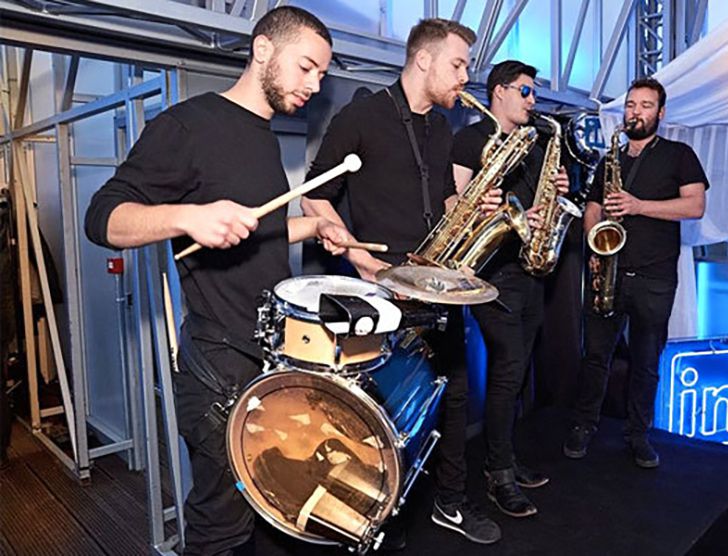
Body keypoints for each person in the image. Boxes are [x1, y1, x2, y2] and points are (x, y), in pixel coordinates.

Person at [84, 7, 353, 554]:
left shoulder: (262, 135)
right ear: (262, 50)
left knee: (272, 512)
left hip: (266, 355)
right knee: (220, 531)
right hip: (219, 372)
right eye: (306, 67)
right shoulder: (187, 126)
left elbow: (256, 230)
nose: (314, 84)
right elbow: (102, 219)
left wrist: (314, 226)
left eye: (322, 75)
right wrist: (187, 217)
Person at [301, 18, 503, 545]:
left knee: (453, 396)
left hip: (435, 283)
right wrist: (360, 260)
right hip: (383, 288)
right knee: (382, 411)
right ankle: (375, 514)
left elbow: (441, 201)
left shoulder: (442, 128)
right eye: (458, 65)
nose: (465, 77)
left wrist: (471, 208)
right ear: (423, 60)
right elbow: (314, 196)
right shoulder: (362, 116)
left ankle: (449, 503)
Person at [562, 77, 708, 469]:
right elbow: (593, 207)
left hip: (655, 277)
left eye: (645, 105)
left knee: (646, 362)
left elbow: (695, 206)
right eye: (630, 105)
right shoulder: (610, 159)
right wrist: (594, 239)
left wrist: (639, 206)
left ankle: (638, 434)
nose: (635, 112)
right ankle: (584, 425)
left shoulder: (679, 155)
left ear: (661, 113)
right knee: (595, 356)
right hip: (609, 270)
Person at [450, 60, 568, 518]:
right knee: (508, 368)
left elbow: (542, 203)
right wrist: (504, 212)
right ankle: (497, 472)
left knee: (515, 374)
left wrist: (557, 191)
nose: (533, 100)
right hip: (492, 270)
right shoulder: (470, 139)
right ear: (499, 91)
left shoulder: (535, 143)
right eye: (525, 91)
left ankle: (505, 457)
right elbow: (454, 205)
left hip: (531, 269)